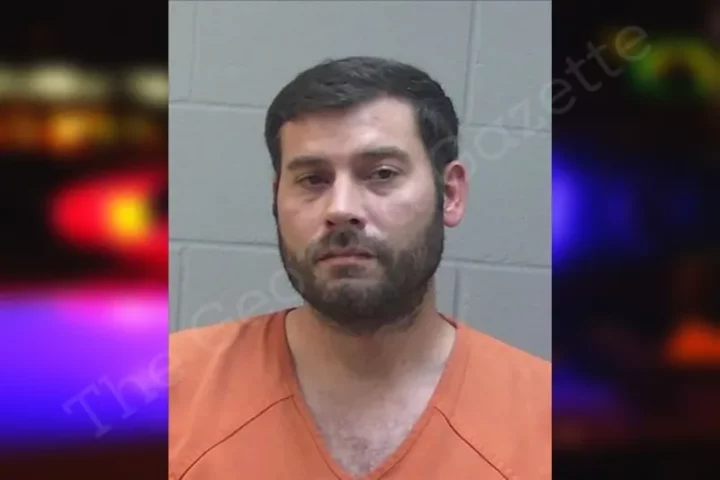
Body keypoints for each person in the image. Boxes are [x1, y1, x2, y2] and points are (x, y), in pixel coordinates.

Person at [169, 56, 551, 480]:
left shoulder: (547, 418)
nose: (341, 209)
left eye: (382, 174)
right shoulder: (169, 392)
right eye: (313, 179)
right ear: (276, 199)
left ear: (450, 194)